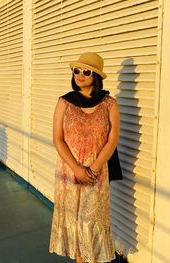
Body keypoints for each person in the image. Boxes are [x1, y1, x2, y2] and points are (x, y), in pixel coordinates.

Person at [49, 52, 120, 263]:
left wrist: (94, 168)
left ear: (96, 76)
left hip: (96, 175)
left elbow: (112, 140)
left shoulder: (110, 104)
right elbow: (58, 139)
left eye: (86, 71)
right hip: (69, 173)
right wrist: (77, 169)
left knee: (92, 222)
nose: (80, 75)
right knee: (75, 223)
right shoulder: (64, 102)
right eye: (76, 70)